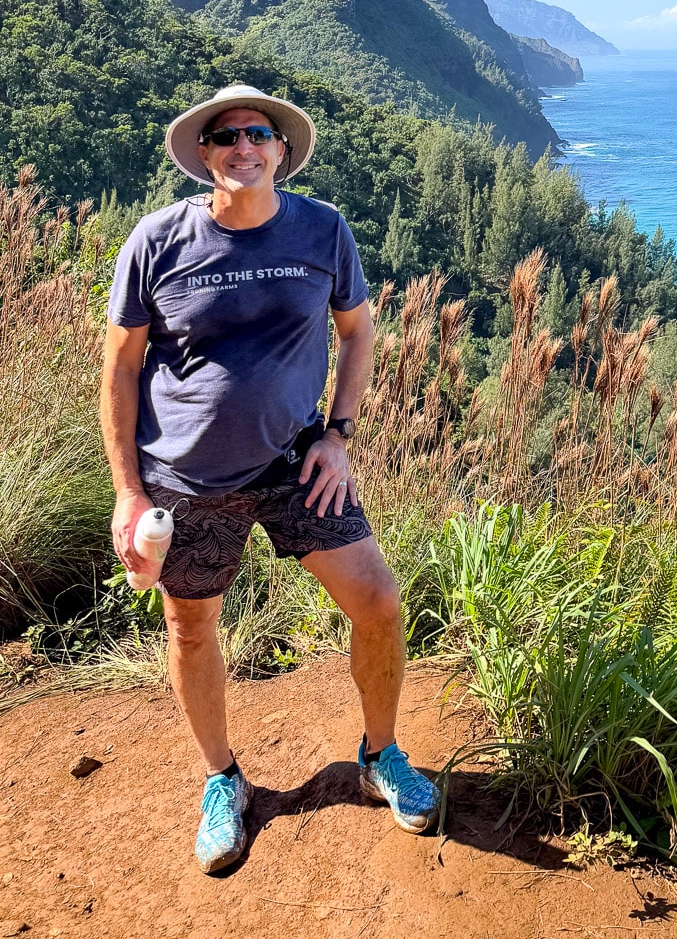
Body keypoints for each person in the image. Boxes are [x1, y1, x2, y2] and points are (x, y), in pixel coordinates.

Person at [101, 84, 439, 873]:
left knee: (378, 601)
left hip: (297, 462)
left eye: (258, 133)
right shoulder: (157, 240)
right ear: (204, 154)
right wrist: (129, 491)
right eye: (225, 136)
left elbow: (358, 333)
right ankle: (223, 781)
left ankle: (380, 755)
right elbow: (119, 369)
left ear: (282, 149)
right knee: (191, 628)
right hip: (185, 479)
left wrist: (338, 435)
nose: (243, 146)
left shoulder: (323, 230)